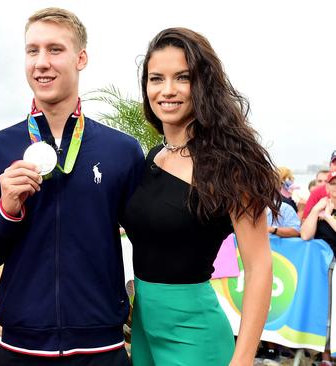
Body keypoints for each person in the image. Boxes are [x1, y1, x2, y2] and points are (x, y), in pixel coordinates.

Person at [0, 8, 142, 365]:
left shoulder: (121, 150)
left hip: (102, 350)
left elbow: (151, 241)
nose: (41, 62)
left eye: (55, 50)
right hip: (20, 349)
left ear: (81, 58)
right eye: (33, 51)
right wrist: (6, 208)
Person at [122, 28, 280, 365]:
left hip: (194, 335)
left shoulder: (230, 167)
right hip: (144, 330)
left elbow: (259, 266)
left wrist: (242, 359)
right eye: (156, 79)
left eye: (182, 77)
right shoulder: (151, 158)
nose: (167, 90)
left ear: (203, 84)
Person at [301, 170, 336, 365]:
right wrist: (315, 211)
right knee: (326, 312)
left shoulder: (329, 213)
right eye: (333, 184)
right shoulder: (321, 206)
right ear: (327, 187)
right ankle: (325, 356)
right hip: (324, 271)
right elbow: (305, 235)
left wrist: (329, 217)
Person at [303, 154, 336, 220]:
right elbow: (305, 219)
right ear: (330, 165)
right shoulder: (317, 192)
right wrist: (317, 212)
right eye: (334, 163)